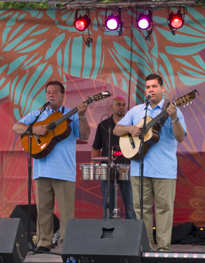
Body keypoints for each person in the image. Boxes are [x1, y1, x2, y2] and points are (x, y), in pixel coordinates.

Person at [12, 80, 90, 253]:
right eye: (48, 92)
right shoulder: (38, 115)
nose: (51, 95)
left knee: (66, 212)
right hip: (42, 169)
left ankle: (67, 244)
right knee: (43, 209)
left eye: (55, 92)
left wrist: (83, 116)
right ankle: (43, 243)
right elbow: (16, 127)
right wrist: (33, 130)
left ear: (63, 96)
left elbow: (84, 134)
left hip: (63, 169)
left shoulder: (72, 114)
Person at [113, 74, 186, 251]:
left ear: (162, 88)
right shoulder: (137, 111)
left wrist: (174, 118)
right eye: (148, 87)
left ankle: (162, 249)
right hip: (139, 169)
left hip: (164, 168)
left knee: (164, 210)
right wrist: (130, 128)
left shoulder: (172, 109)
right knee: (141, 209)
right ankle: (145, 248)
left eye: (154, 86)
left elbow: (180, 137)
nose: (151, 90)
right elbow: (116, 129)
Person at [92, 96, 136, 220]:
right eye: (118, 104)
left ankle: (132, 233)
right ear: (111, 106)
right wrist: (94, 165)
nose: (121, 107)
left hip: (127, 166)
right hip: (107, 167)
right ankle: (107, 231)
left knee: (130, 203)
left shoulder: (131, 125)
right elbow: (96, 147)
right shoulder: (103, 125)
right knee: (108, 203)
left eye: (123, 104)